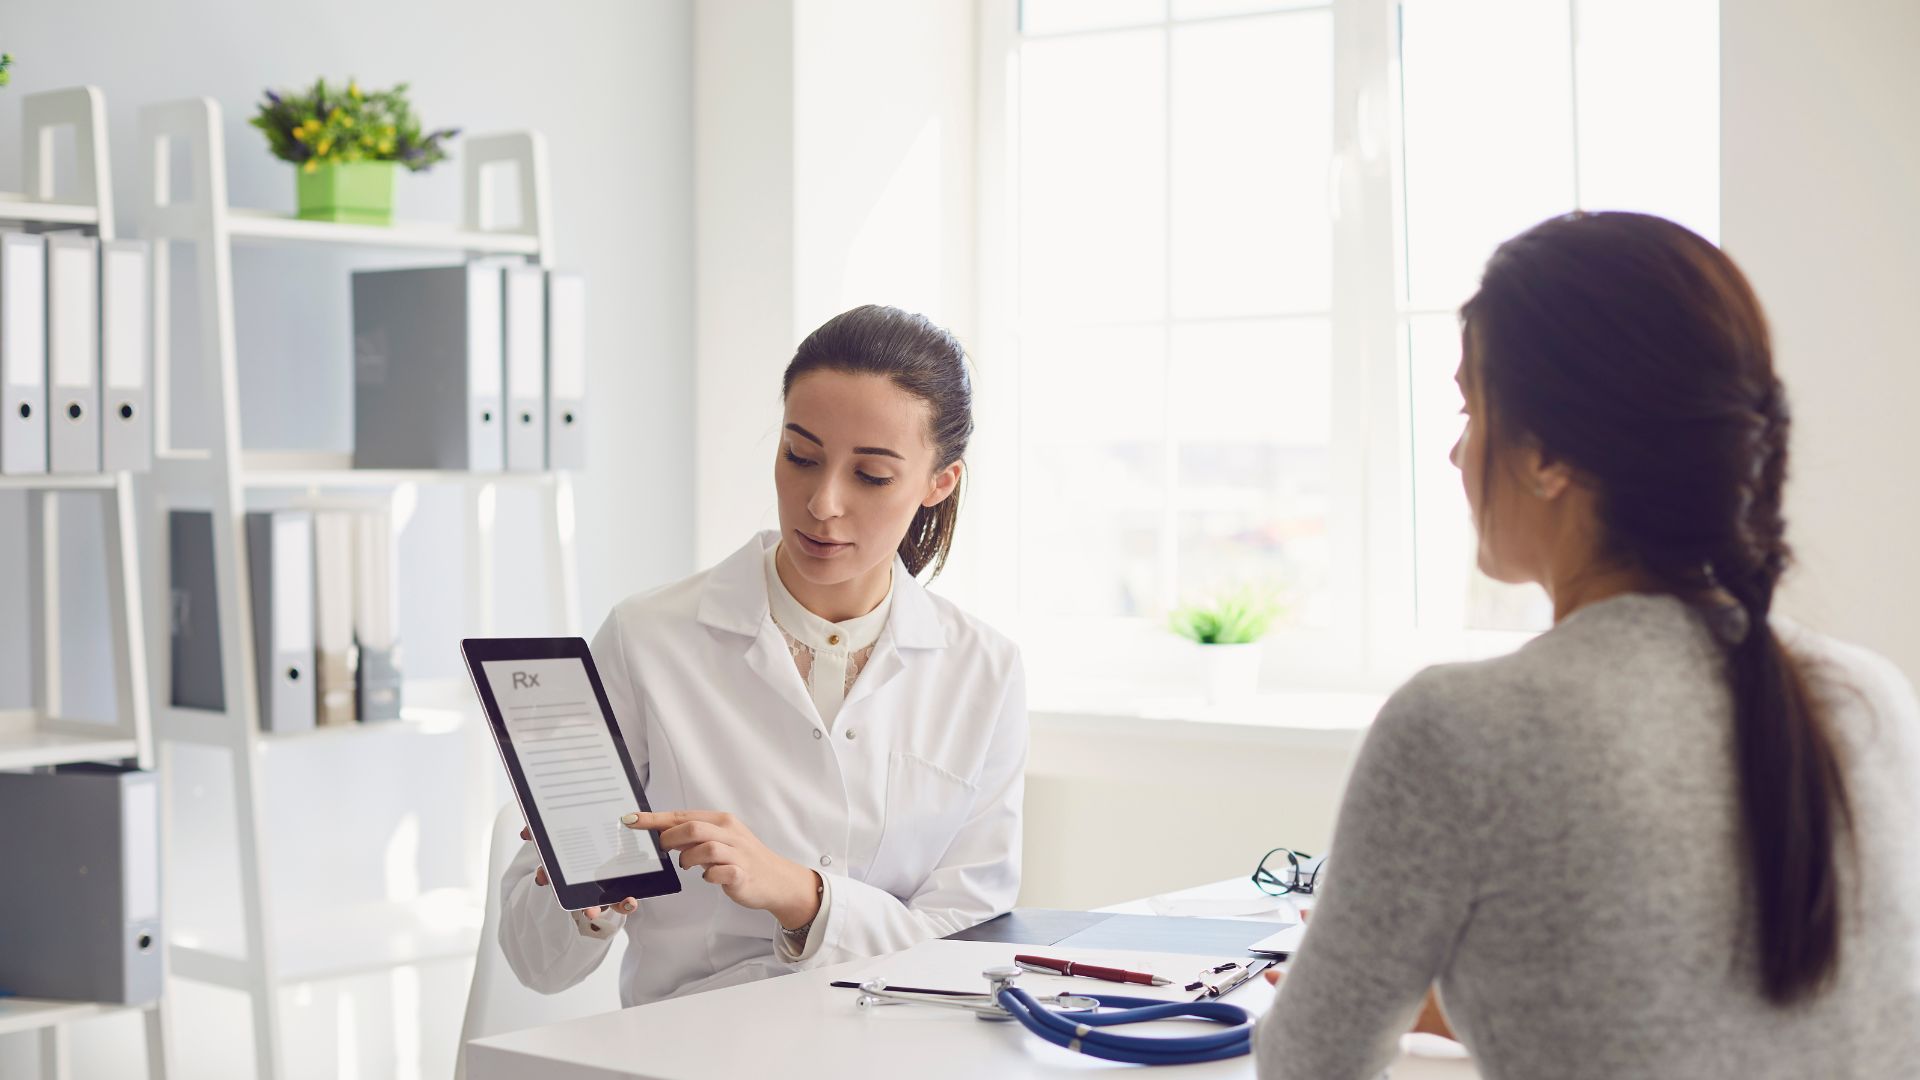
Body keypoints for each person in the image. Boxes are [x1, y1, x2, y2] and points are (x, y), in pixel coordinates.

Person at [1255, 212, 1920, 1078]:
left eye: (1470, 409)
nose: (1457, 453)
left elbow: (1307, 1065)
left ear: (1546, 455)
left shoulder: (1460, 725)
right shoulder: (1868, 696)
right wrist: (1486, 1004)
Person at [499, 305, 1026, 1005]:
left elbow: (966, 944)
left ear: (939, 482)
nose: (823, 503)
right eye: (800, 457)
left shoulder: (984, 671)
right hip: (691, 1043)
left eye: (871, 475)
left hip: (898, 1043)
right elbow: (536, 964)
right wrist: (584, 895)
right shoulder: (647, 638)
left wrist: (803, 896)